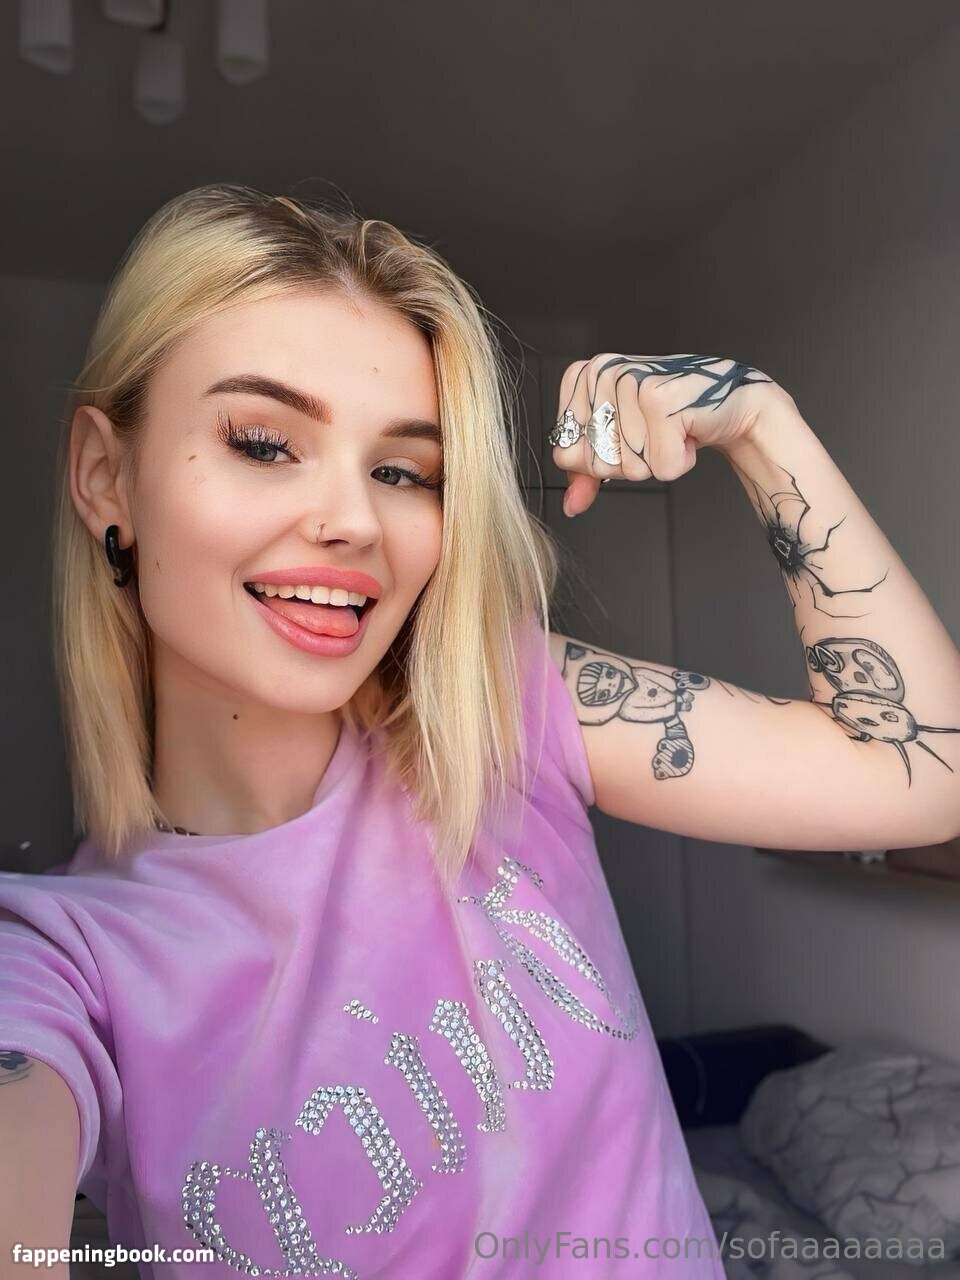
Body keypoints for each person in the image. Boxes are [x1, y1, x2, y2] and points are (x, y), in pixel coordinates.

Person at [0, 181, 956, 1280]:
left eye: (404, 471)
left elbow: (920, 767)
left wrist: (758, 422)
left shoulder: (499, 710)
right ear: (105, 475)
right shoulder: (58, 962)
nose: (354, 519)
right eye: (264, 442)